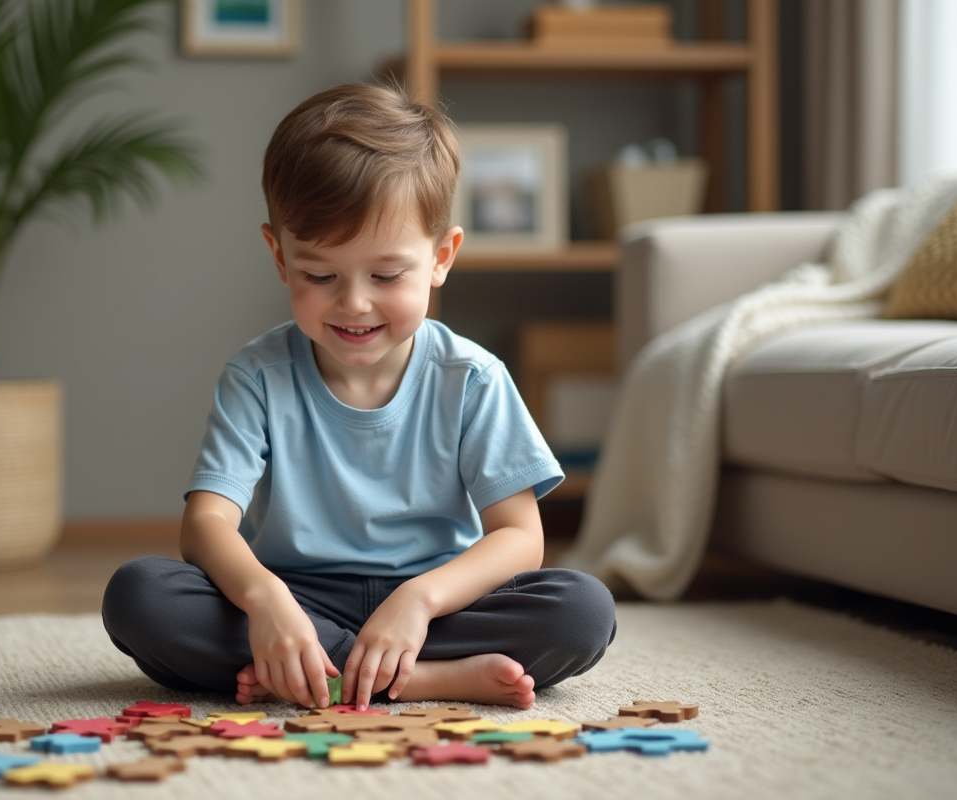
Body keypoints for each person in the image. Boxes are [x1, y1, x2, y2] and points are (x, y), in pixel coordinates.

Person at [102, 83, 616, 712]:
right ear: (279, 257)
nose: (353, 303)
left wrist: (418, 601)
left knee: (581, 611)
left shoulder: (472, 378)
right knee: (140, 596)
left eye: (386, 275)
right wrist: (267, 603)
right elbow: (206, 524)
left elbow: (518, 537)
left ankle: (314, 674)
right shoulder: (257, 376)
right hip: (296, 601)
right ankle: (411, 678)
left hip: (436, 603)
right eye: (320, 275)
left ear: (441, 256)